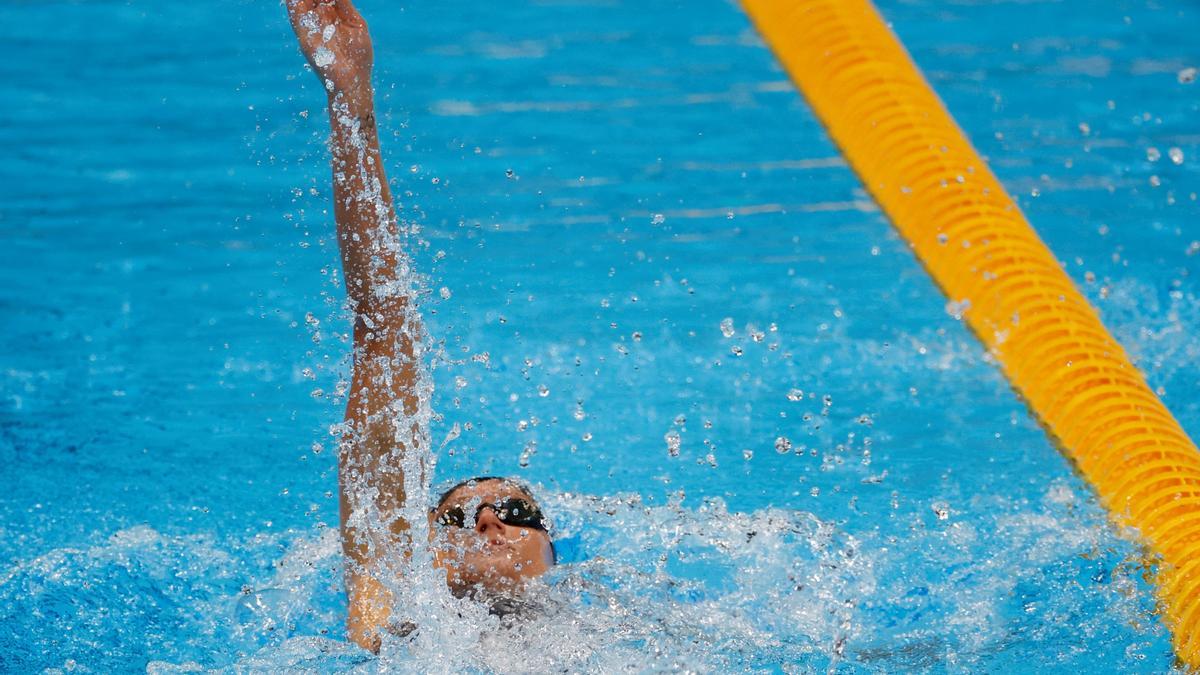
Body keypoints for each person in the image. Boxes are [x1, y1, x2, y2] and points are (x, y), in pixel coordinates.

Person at [284, 0, 557, 652]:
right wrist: (350, 103)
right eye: (458, 517)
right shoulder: (397, 628)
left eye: (516, 512)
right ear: (421, 549)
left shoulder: (630, 634)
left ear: (554, 547)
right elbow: (382, 335)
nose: (489, 519)